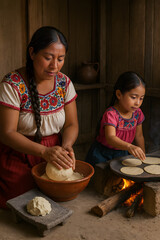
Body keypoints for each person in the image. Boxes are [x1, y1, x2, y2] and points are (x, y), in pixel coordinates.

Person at [0, 26, 79, 208]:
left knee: (60, 196)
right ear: (32, 53)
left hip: (55, 151)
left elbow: (72, 124)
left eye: (60, 59)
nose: (55, 66)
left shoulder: (64, 83)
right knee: (24, 202)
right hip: (19, 152)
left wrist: (66, 145)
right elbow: (7, 133)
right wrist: (43, 151)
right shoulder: (12, 84)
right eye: (48, 57)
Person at [86, 71, 146, 167]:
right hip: (102, 154)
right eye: (134, 97)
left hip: (123, 154)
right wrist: (129, 146)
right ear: (119, 94)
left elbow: (139, 136)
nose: (137, 103)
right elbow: (111, 138)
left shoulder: (137, 114)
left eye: (141, 98)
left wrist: (143, 157)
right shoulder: (111, 114)